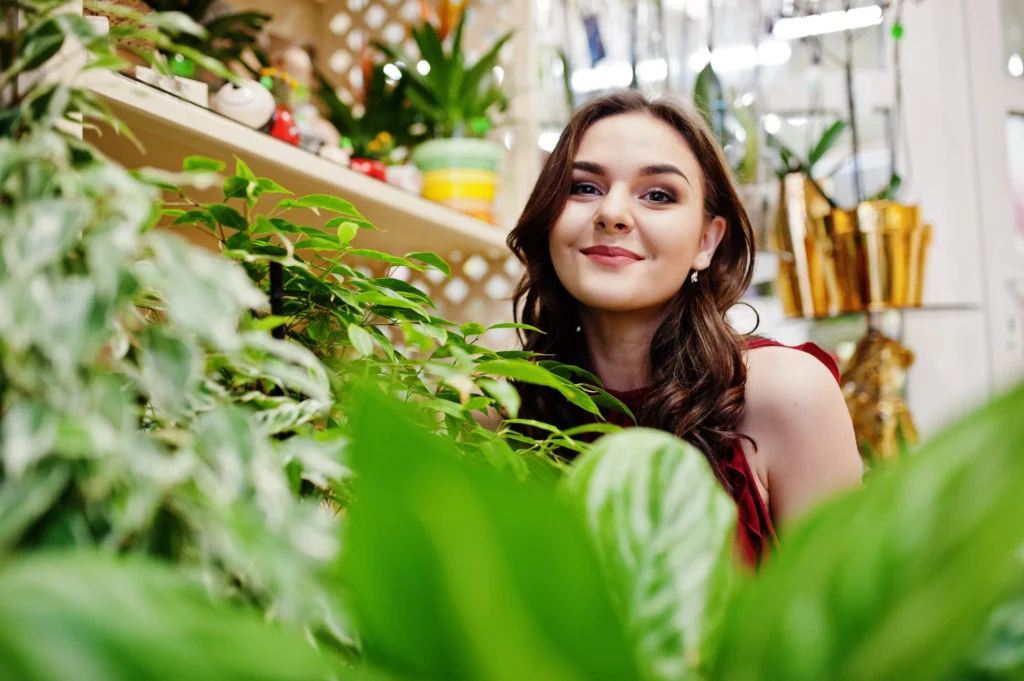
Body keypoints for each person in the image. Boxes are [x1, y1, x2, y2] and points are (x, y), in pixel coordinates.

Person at [507, 91, 862, 566]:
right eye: (584, 188)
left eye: (658, 195)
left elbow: (838, 620)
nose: (611, 214)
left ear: (707, 241)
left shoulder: (787, 395)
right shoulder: (503, 410)